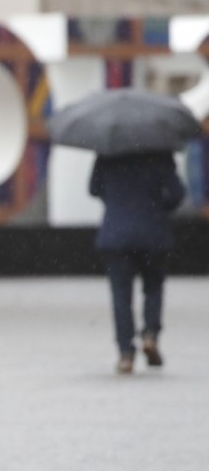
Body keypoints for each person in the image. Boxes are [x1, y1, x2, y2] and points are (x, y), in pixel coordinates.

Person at [90, 151, 184, 374]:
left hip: (116, 234)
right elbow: (177, 194)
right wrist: (157, 207)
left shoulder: (108, 152)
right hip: (153, 232)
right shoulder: (159, 152)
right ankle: (150, 334)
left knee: (121, 297)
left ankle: (125, 353)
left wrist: (117, 202)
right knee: (153, 287)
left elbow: (94, 188)